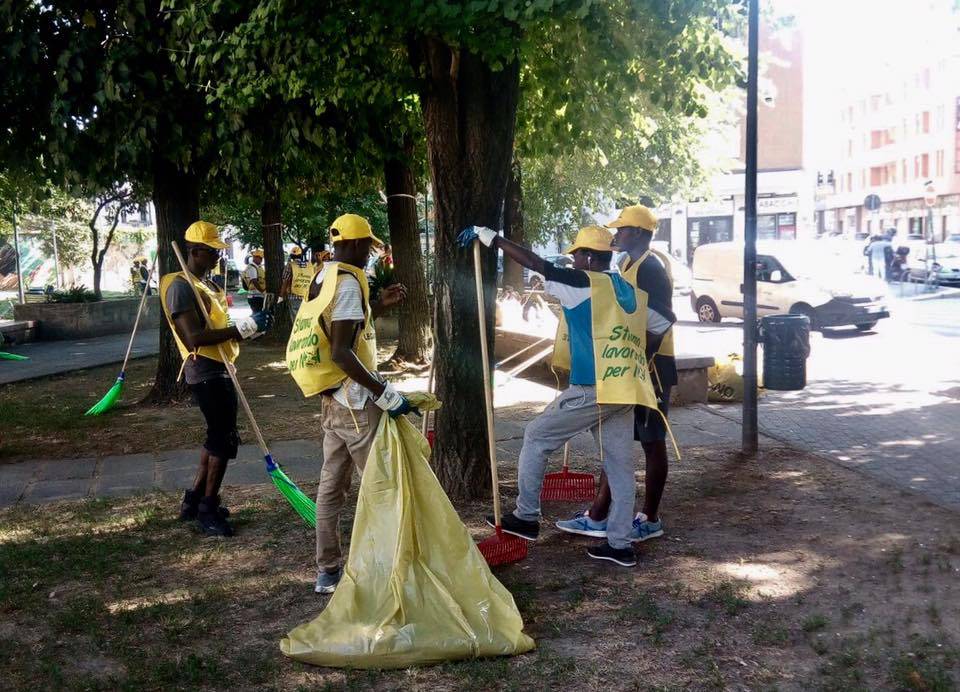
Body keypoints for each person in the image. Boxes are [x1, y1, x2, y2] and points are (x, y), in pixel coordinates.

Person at [457, 224, 675, 567]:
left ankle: (526, 517)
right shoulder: (625, 287)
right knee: (619, 466)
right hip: (625, 387)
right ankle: (619, 545)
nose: (572, 262)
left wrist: (493, 239)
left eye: (576, 256)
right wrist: (638, 356)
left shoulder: (583, 283)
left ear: (589, 257)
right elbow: (665, 320)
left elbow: (537, 263)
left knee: (536, 435)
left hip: (593, 388)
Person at [285, 213, 410, 593]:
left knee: (331, 487)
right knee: (381, 484)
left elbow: (340, 329)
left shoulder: (324, 277)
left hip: (331, 401)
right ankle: (387, 566)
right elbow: (341, 351)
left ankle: (327, 570)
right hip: (355, 403)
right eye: (367, 247)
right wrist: (382, 391)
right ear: (354, 245)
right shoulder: (349, 285)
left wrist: (379, 306)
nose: (370, 255)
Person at [557, 205, 677, 545]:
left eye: (622, 229)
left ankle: (650, 518)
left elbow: (665, 319)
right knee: (618, 441)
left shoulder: (651, 268)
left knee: (652, 443)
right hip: (629, 366)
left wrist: (641, 359)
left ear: (638, 233)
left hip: (651, 367)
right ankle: (599, 513)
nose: (616, 234)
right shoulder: (627, 264)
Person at [160, 221, 274, 537]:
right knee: (223, 440)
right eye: (213, 253)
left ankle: (194, 500)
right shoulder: (181, 287)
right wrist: (243, 328)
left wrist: (247, 327)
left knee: (216, 437)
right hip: (206, 371)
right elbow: (194, 337)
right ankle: (208, 509)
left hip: (219, 369)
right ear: (195, 251)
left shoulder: (204, 285)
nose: (218, 259)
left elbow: (216, 327)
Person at [280, 246, 312, 320]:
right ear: (301, 256)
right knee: (306, 319)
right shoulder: (309, 266)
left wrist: (281, 295)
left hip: (294, 297)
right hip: (307, 296)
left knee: (296, 320)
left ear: (291, 256)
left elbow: (285, 280)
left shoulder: (290, 265)